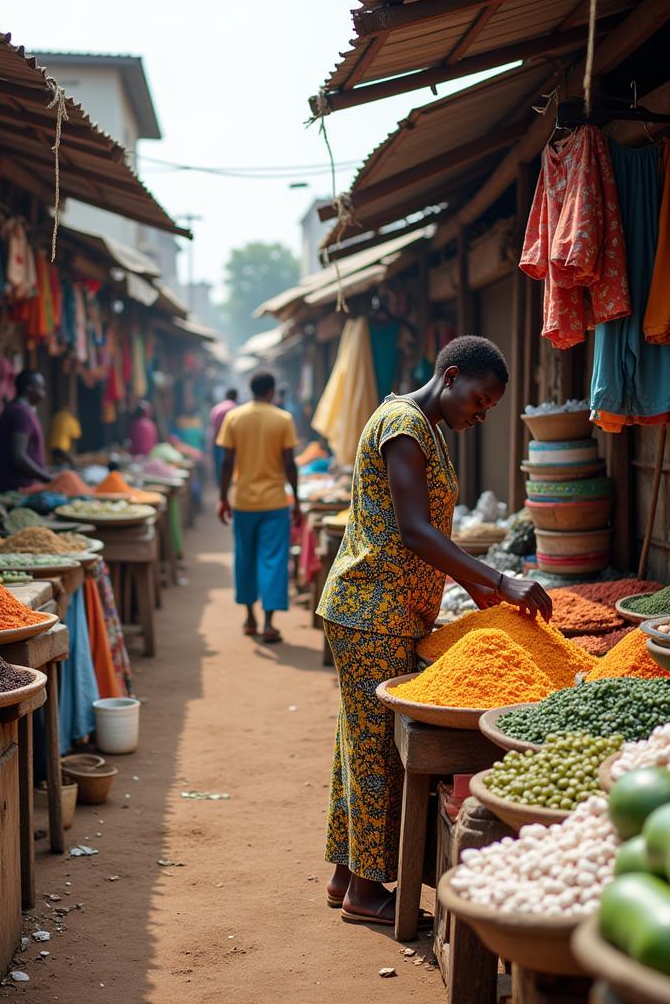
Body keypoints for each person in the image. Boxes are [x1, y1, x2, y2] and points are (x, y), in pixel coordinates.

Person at [317, 335, 552, 926]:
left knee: (359, 739)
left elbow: (426, 536)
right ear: (450, 377)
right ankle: (367, 894)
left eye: (491, 406)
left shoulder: (425, 425)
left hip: (390, 609)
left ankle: (348, 873)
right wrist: (500, 581)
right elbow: (416, 531)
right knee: (378, 751)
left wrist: (472, 586)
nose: (482, 412)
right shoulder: (404, 425)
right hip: (372, 610)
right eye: (480, 399)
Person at [216, 371, 299, 643]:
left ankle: (249, 618)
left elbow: (227, 462)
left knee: (245, 557)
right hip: (275, 501)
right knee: (273, 561)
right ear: (271, 391)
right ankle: (269, 623)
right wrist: (296, 498)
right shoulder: (282, 419)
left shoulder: (234, 417)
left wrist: (222, 496)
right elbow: (289, 463)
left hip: (243, 501)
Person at [0, 369, 52, 492]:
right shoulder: (20, 413)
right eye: (41, 388)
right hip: (18, 488)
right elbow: (18, 456)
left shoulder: (19, 410)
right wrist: (47, 478)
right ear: (29, 388)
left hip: (23, 487)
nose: (44, 393)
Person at [209, 387, 238, 482]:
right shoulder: (235, 409)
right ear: (236, 397)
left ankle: (220, 483)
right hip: (231, 443)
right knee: (230, 464)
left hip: (217, 441)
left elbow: (212, 426)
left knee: (219, 465)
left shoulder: (216, 408)